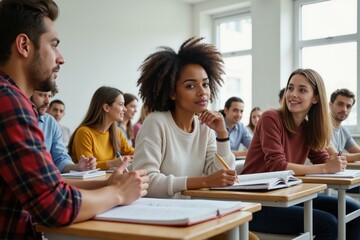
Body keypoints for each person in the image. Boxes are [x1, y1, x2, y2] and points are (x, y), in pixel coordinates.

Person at [0, 1, 148, 238]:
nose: (61, 59)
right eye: (54, 45)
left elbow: (50, 183)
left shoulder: (17, 101)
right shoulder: (8, 100)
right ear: (24, 45)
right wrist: (118, 193)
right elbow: (54, 205)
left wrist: (108, 185)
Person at [241, 68, 360, 239]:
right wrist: (326, 168)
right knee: (328, 224)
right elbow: (278, 166)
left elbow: (323, 159)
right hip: (258, 203)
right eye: (290, 88)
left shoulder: (306, 127)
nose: (293, 94)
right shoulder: (270, 118)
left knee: (354, 210)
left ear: (316, 98)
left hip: (286, 195)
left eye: (302, 90)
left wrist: (333, 162)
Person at [133, 37, 237, 199]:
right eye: (190, 86)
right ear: (172, 93)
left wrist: (222, 135)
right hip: (160, 214)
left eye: (205, 84)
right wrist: (203, 182)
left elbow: (220, 175)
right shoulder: (156, 122)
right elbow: (146, 182)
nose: (202, 92)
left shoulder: (205, 127)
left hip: (194, 209)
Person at [68, 86, 135, 170]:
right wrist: (112, 163)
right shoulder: (84, 132)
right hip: (89, 182)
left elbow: (133, 153)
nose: (125, 109)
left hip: (110, 180)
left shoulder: (117, 132)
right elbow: (88, 165)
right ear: (106, 107)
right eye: (121, 104)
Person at [31, 90, 96, 172]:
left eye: (49, 96)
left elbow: (60, 158)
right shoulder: (17, 118)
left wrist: (78, 167)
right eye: (41, 95)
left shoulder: (51, 122)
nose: (47, 101)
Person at [327, 88, 360, 162]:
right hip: (318, 172)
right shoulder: (321, 126)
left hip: (336, 172)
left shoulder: (344, 131)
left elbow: (358, 151)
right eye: (340, 104)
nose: (344, 109)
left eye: (348, 106)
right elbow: (335, 156)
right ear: (330, 105)